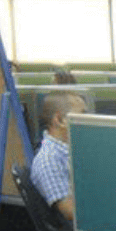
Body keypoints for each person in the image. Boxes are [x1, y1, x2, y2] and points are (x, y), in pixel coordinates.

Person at [30, 91, 86, 222]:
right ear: (59, 120)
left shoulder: (73, 150)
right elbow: (71, 212)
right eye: (82, 115)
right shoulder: (49, 160)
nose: (87, 121)